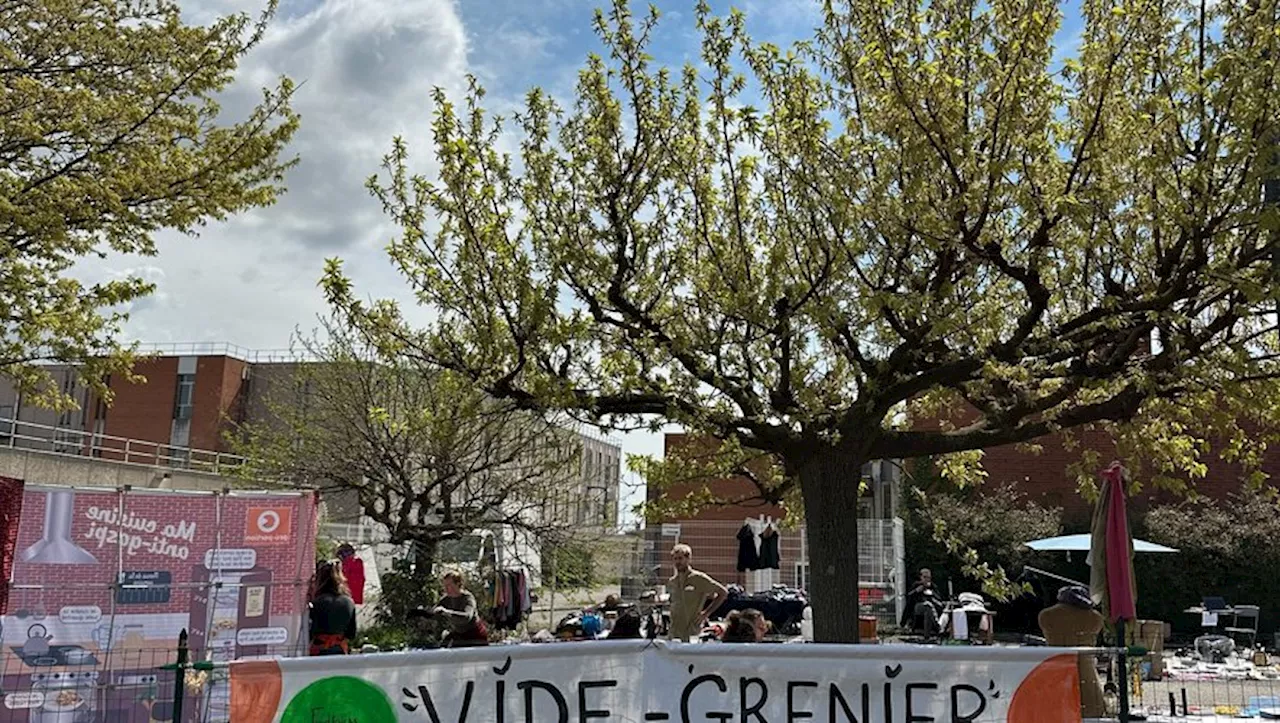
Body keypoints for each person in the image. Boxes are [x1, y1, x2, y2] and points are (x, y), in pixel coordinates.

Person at [1039, 585, 1105, 718]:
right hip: (1087, 677)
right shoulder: (1096, 618)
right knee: (1090, 711)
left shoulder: (1046, 615)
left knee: (1054, 713)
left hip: (1055, 674)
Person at [667, 544, 728, 642]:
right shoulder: (672, 581)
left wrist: (706, 613)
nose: (677, 562)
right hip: (673, 633)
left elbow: (723, 592)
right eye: (675, 559)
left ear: (688, 559)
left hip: (691, 632)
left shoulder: (698, 578)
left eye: (680, 558)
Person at [309, 560, 357, 655]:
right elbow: (351, 634)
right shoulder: (349, 602)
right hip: (340, 650)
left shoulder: (316, 603)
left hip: (319, 651)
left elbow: (310, 631)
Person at [433, 569, 489, 647]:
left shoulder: (467, 598)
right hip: (459, 634)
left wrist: (447, 612)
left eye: (449, 585)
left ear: (458, 584)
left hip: (475, 635)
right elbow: (434, 612)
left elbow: (466, 617)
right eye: (445, 586)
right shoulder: (446, 599)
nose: (446, 589)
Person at [900, 568, 943, 632]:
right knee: (927, 607)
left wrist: (932, 594)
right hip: (918, 606)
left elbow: (939, 599)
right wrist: (916, 591)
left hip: (932, 607)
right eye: (925, 577)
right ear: (921, 577)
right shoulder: (916, 585)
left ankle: (935, 628)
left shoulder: (933, 586)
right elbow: (909, 597)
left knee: (929, 608)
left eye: (928, 577)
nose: (927, 579)